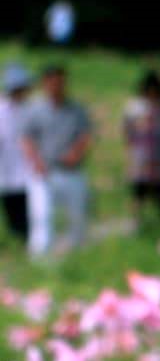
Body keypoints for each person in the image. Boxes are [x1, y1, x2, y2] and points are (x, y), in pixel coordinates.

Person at [21, 65, 92, 256]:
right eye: (52, 81)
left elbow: (85, 135)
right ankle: (40, 256)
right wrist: (35, 161)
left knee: (77, 215)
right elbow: (26, 138)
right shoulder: (35, 109)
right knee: (42, 216)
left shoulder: (76, 109)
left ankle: (78, 252)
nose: (57, 85)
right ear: (45, 83)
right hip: (44, 171)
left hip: (71, 170)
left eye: (60, 81)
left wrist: (76, 153)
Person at [123, 69, 160, 226]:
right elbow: (128, 131)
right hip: (141, 157)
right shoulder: (134, 108)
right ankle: (135, 221)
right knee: (138, 191)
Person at [0, 64, 34, 243]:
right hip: (6, 170)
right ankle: (17, 244)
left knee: (30, 214)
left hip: (28, 170)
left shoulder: (30, 109)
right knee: (13, 214)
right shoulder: (1, 109)